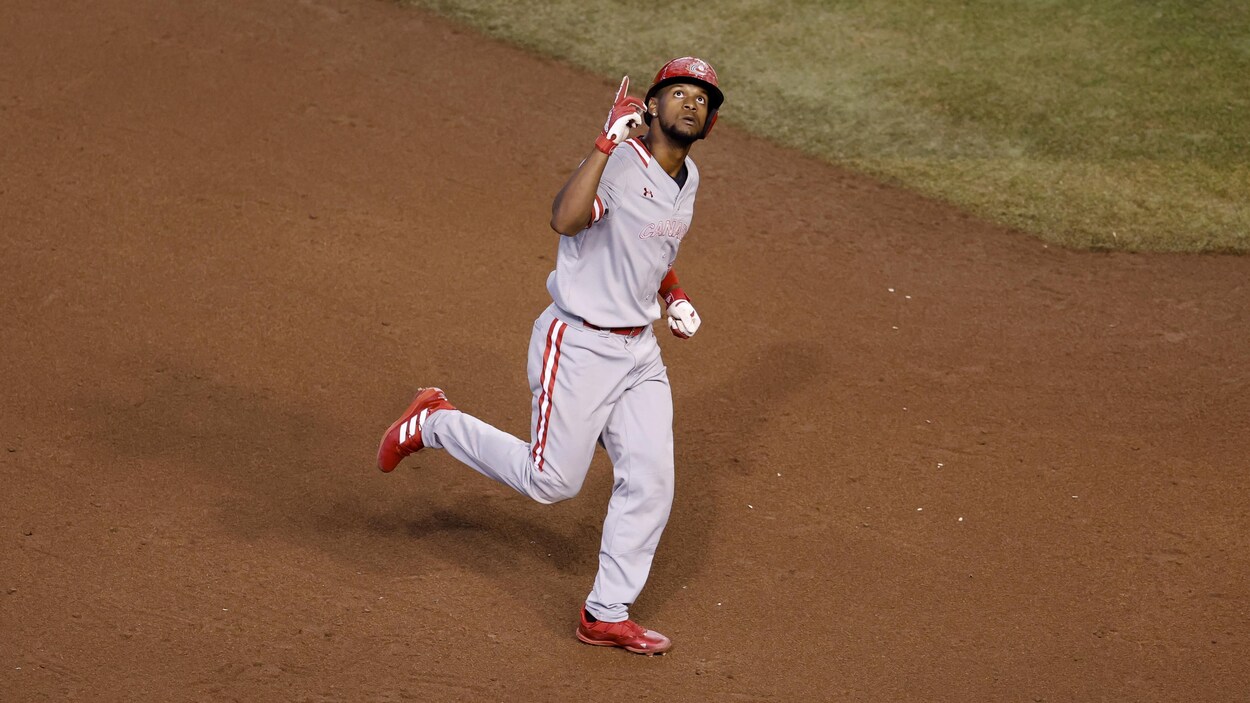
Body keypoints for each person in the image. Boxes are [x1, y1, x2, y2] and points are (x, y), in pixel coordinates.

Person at [375, 57, 724, 656]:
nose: (691, 103)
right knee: (551, 482)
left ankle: (605, 612)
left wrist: (675, 294)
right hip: (581, 343)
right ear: (652, 105)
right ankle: (434, 421)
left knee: (651, 480)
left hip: (638, 353)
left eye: (702, 97)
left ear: (710, 121)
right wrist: (600, 145)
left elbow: (650, 250)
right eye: (679, 92)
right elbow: (564, 219)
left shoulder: (687, 180)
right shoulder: (618, 163)